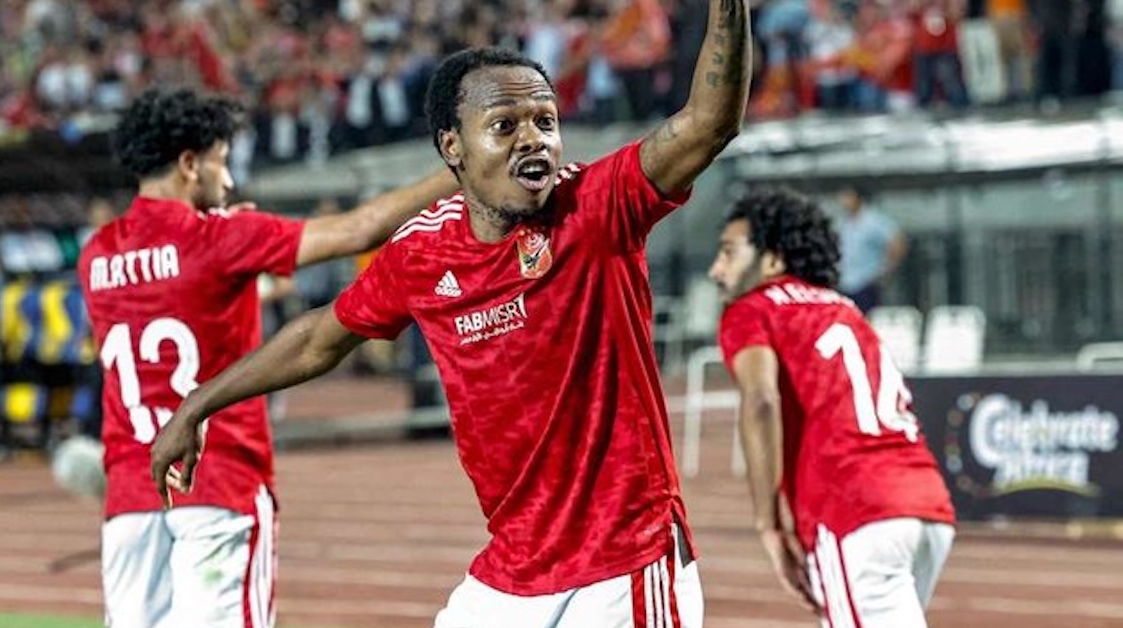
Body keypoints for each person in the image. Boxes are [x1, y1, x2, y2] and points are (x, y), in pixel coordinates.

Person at [152, 0, 753, 623]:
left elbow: (708, 123)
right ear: (452, 146)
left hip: (625, 561)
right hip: (514, 566)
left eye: (545, 121)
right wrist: (197, 405)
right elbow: (317, 340)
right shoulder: (420, 253)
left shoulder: (597, 206)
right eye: (505, 125)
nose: (533, 139)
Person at [78, 88, 458, 628]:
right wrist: (463, 167)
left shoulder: (97, 253)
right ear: (189, 164)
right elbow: (360, 229)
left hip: (130, 499)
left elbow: (173, 301)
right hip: (218, 481)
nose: (228, 181)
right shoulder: (222, 236)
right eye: (221, 162)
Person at [709, 187, 955, 627]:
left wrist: (769, 524)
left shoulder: (751, 309)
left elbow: (761, 399)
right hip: (926, 503)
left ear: (772, 260)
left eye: (729, 252)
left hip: (854, 508)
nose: (716, 269)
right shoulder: (843, 307)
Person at [836, 184, 906, 313]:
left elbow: (897, 241)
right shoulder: (844, 223)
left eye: (848, 197)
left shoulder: (873, 221)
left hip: (866, 283)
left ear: (858, 198)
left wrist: (887, 270)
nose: (843, 201)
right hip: (845, 284)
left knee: (867, 318)